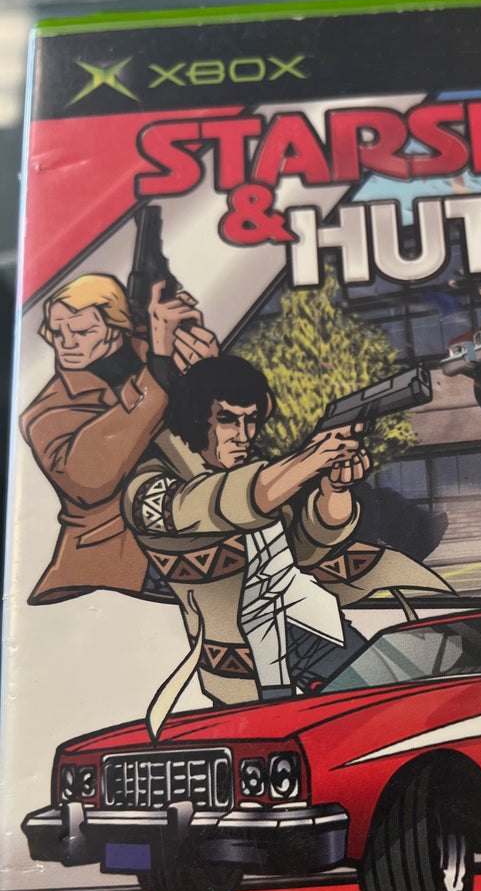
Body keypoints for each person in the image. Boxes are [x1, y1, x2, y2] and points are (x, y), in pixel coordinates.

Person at [123, 353, 373, 707]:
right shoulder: (148, 489)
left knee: (393, 707)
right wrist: (313, 457)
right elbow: (217, 503)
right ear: (195, 417)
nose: (244, 435)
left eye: (251, 420)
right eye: (227, 420)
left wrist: (335, 490)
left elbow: (305, 549)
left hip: (313, 627)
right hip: (244, 658)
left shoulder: (257, 470)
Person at [21, 272, 217, 604]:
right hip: (122, 554)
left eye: (82, 331)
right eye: (57, 331)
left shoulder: (153, 350)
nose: (66, 343)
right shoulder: (46, 412)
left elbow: (246, 420)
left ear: (115, 328)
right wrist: (160, 368)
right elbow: (89, 478)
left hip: (200, 515)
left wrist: (212, 370)